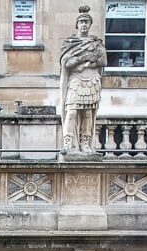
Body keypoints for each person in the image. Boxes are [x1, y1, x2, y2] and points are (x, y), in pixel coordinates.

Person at [59, 6, 107, 157]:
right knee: (71, 112)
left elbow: (102, 60)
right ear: (77, 24)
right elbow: (67, 63)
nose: (84, 24)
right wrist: (85, 57)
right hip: (75, 81)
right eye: (82, 22)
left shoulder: (96, 43)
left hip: (92, 81)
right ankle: (68, 143)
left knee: (87, 114)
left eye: (87, 22)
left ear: (90, 25)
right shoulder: (70, 43)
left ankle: (85, 143)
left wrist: (87, 63)